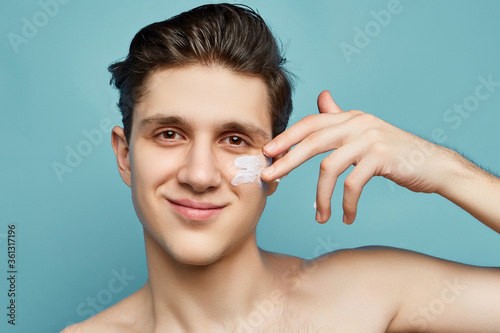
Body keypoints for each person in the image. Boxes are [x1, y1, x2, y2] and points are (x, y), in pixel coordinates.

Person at [62, 3, 500, 332]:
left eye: (235, 140)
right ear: (125, 156)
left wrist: (442, 169)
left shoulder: (365, 295)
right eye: (169, 134)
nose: (199, 175)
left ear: (277, 162)